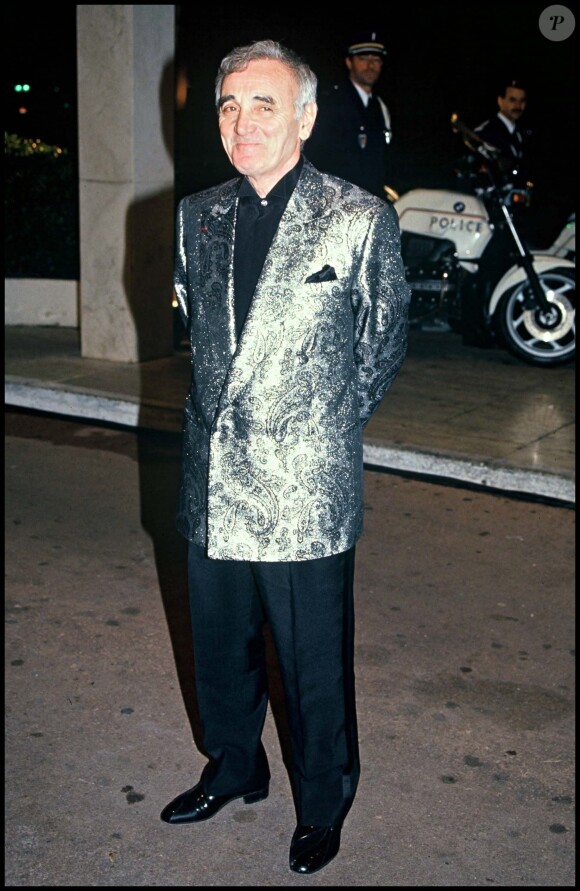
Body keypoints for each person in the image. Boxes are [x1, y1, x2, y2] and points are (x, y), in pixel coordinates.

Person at [160, 39, 410, 875]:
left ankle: (324, 800)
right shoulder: (197, 213)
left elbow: (383, 338)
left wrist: (323, 426)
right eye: (229, 105)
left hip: (307, 483)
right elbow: (197, 330)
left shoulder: (357, 216)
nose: (242, 121)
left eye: (263, 104)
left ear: (304, 115)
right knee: (219, 647)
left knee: (310, 665)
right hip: (212, 475)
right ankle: (234, 767)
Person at [305, 32, 393, 198]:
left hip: (371, 200)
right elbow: (315, 155)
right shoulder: (329, 103)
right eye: (363, 59)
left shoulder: (380, 107)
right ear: (349, 62)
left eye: (375, 60)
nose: (370, 65)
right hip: (336, 198)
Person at [474, 78, 531, 183]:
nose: (518, 106)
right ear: (500, 101)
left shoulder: (522, 133)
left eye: (522, 101)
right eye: (512, 100)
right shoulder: (485, 132)